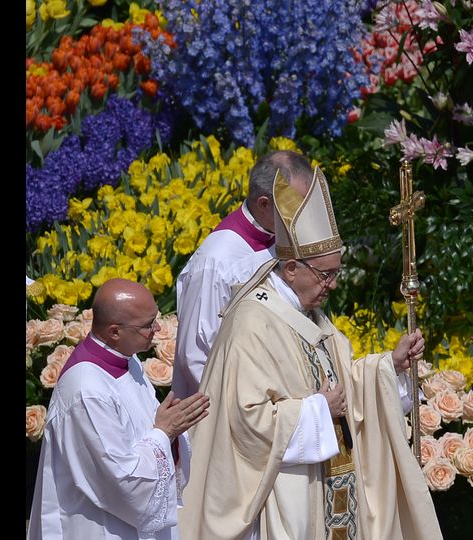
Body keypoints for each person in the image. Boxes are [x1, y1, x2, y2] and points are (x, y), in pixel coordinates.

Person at [178, 165, 442, 539]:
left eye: (336, 273)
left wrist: (389, 365)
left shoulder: (309, 310)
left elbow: (339, 379)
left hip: (324, 482)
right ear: (290, 268)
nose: (332, 285)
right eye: (325, 275)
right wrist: (315, 411)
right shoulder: (252, 322)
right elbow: (245, 420)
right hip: (280, 494)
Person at [28, 278, 211, 540]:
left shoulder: (127, 359)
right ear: (114, 332)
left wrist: (171, 428)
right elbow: (119, 479)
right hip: (100, 524)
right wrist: (165, 432)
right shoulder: (85, 391)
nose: (158, 328)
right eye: (148, 325)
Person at [172, 150, 313, 400]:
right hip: (235, 409)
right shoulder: (217, 261)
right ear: (264, 204)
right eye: (295, 207)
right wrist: (252, 408)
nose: (302, 217)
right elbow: (196, 357)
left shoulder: (279, 234)